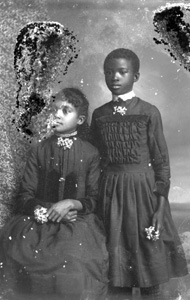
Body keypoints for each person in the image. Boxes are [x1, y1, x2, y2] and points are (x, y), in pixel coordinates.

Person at [90, 48, 188, 300]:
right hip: (110, 195)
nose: (115, 77)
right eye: (109, 72)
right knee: (116, 268)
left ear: (136, 76)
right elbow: (94, 161)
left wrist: (160, 206)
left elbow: (162, 163)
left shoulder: (148, 112)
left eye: (122, 72)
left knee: (148, 265)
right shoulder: (99, 115)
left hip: (144, 196)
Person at [0, 87, 108, 300]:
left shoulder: (90, 153)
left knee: (75, 260)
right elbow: (24, 196)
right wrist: (50, 210)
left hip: (77, 223)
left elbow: (93, 199)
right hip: (38, 222)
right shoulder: (39, 150)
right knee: (19, 252)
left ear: (80, 119)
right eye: (54, 109)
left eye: (66, 110)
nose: (57, 115)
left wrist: (70, 203)